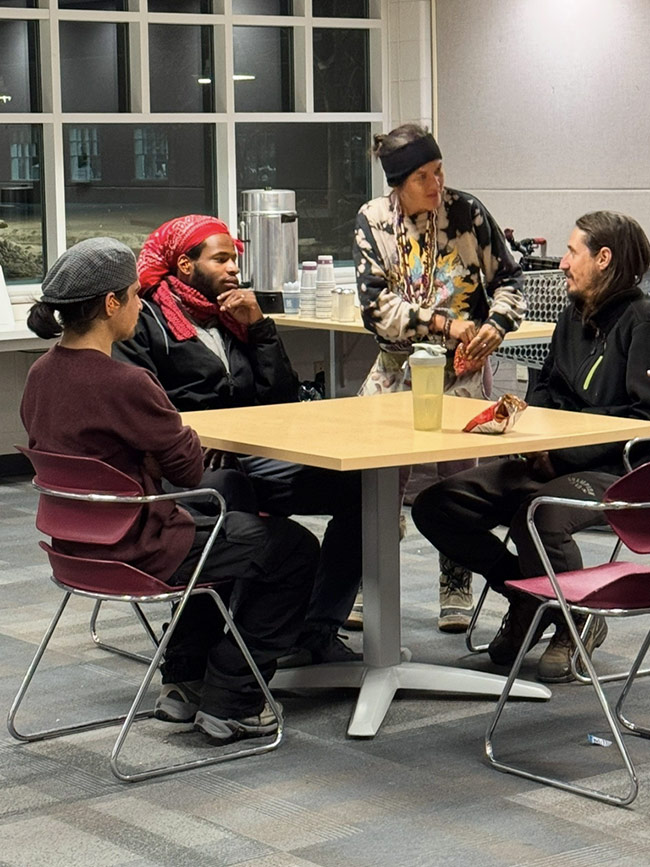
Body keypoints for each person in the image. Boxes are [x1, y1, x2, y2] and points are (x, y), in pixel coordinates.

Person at [21, 236, 320, 742]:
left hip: (77, 548)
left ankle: (184, 680)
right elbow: (184, 468)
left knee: (226, 507)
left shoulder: (40, 373)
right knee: (292, 550)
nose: (142, 304)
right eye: (136, 295)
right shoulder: (125, 383)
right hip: (137, 547)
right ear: (111, 304)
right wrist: (173, 431)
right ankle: (235, 696)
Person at [113, 215, 362, 666]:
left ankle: (316, 629)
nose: (233, 269)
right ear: (185, 265)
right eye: (221, 258)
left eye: (235, 259)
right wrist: (200, 437)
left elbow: (282, 400)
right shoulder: (144, 320)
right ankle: (238, 637)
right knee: (231, 491)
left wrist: (261, 326)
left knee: (362, 491)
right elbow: (142, 407)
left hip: (254, 455)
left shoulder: (234, 316)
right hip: (183, 464)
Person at [411, 210, 650, 682]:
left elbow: (642, 422)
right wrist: (530, 436)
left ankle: (574, 621)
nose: (562, 264)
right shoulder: (572, 316)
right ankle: (527, 594)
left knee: (539, 514)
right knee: (437, 505)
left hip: (617, 470)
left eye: (572, 252)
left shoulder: (643, 323)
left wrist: (560, 452)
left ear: (603, 259)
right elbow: (547, 390)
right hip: (551, 457)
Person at [353, 123, 525, 632]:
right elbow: (376, 307)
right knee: (380, 483)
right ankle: (369, 582)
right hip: (398, 370)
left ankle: (457, 583)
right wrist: (440, 322)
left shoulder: (467, 212)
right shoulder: (374, 220)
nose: (437, 184)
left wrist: (495, 326)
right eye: (424, 176)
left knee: (457, 487)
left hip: (461, 374)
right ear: (399, 183)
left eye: (440, 170)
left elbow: (509, 280)